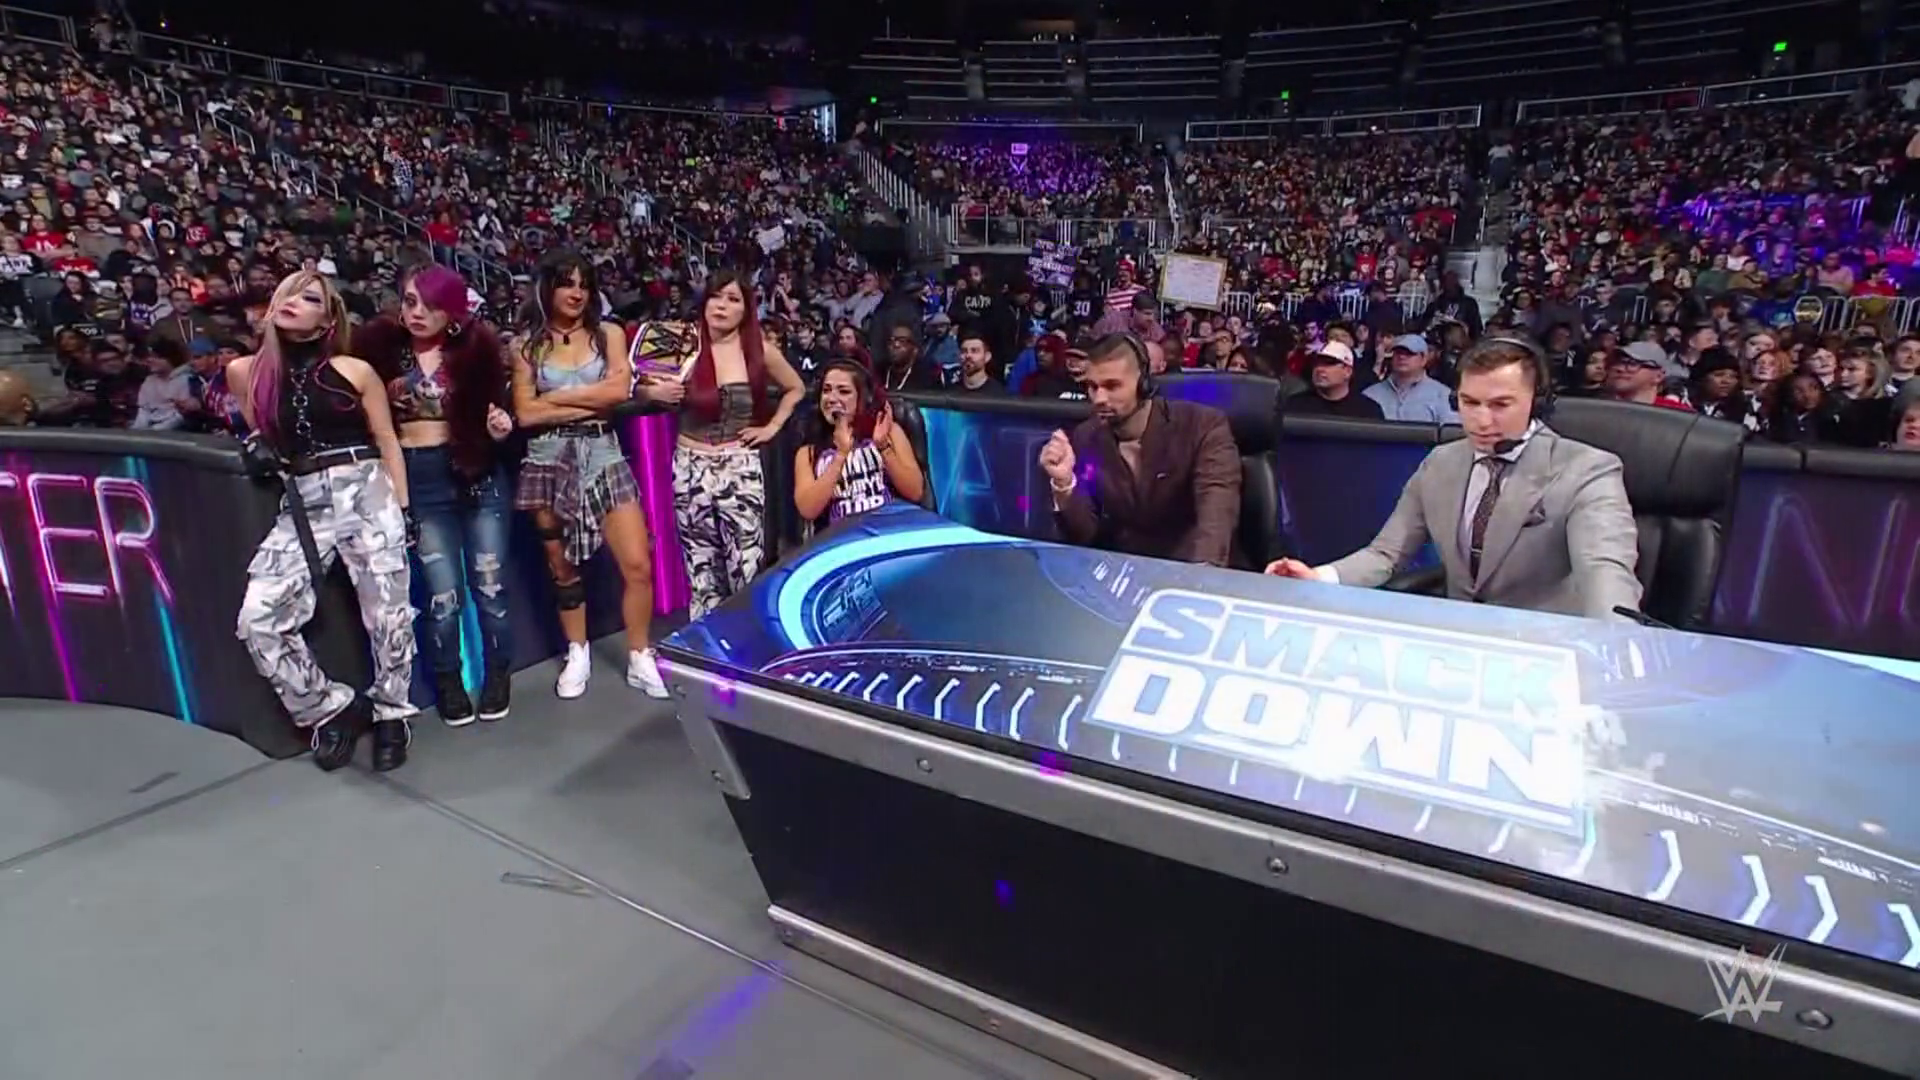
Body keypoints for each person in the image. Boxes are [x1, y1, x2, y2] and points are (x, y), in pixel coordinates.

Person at [1267, 336, 1643, 621]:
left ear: (1537, 400)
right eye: (1470, 403)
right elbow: (1386, 554)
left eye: (1500, 404)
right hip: (1458, 641)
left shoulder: (1587, 470)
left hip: (1543, 647)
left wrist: (1617, 643)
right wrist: (1319, 578)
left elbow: (1604, 570)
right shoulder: (1440, 463)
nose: (1481, 420)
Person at [229, 271, 420, 773]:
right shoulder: (245, 371)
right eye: (287, 293)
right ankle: (329, 709)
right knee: (258, 618)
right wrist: (255, 445)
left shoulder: (355, 370)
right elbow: (260, 432)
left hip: (365, 484)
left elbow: (386, 438)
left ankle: (392, 712)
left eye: (309, 297)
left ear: (326, 321)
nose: (293, 302)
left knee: (390, 613)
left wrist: (403, 507)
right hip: (303, 496)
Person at [362, 265, 517, 726]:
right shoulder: (380, 351)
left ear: (451, 311)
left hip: (476, 474)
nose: (417, 313)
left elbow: (498, 413)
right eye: (410, 301)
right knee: (442, 597)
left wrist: (499, 428)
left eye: (430, 305)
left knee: (490, 588)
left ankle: (498, 677)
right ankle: (449, 681)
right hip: (419, 478)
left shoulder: (476, 350)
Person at [512, 251, 669, 701]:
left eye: (584, 284)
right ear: (548, 288)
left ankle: (639, 655)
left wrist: (553, 398)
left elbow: (619, 392)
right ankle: (577, 652)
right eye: (567, 283)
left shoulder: (609, 334)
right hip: (547, 460)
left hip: (604, 454)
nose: (577, 292)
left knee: (638, 564)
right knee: (563, 570)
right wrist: (589, 400)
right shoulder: (525, 346)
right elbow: (526, 414)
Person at [1039, 333, 1242, 567]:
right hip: (1128, 574)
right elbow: (1084, 535)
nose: (1099, 398)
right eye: (1093, 387)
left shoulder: (1202, 426)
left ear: (1144, 383)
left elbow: (1215, 518)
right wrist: (1064, 485)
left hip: (1192, 570)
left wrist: (1200, 577)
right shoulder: (1087, 436)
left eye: (1112, 386)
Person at [670, 270, 806, 619]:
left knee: (745, 565)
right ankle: (707, 643)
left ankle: (747, 641)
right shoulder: (682, 342)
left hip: (738, 465)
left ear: (746, 309)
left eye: (733, 299)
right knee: (700, 567)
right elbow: (640, 385)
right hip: (689, 465)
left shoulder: (758, 348)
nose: (722, 306)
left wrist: (772, 426)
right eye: (716, 297)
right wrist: (654, 392)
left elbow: (796, 388)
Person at [793, 359, 926, 525]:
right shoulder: (808, 453)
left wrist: (883, 447)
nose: (831, 398)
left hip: (891, 528)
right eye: (826, 390)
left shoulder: (889, 431)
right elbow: (808, 509)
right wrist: (840, 455)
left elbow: (915, 492)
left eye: (844, 391)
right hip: (844, 536)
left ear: (863, 398)